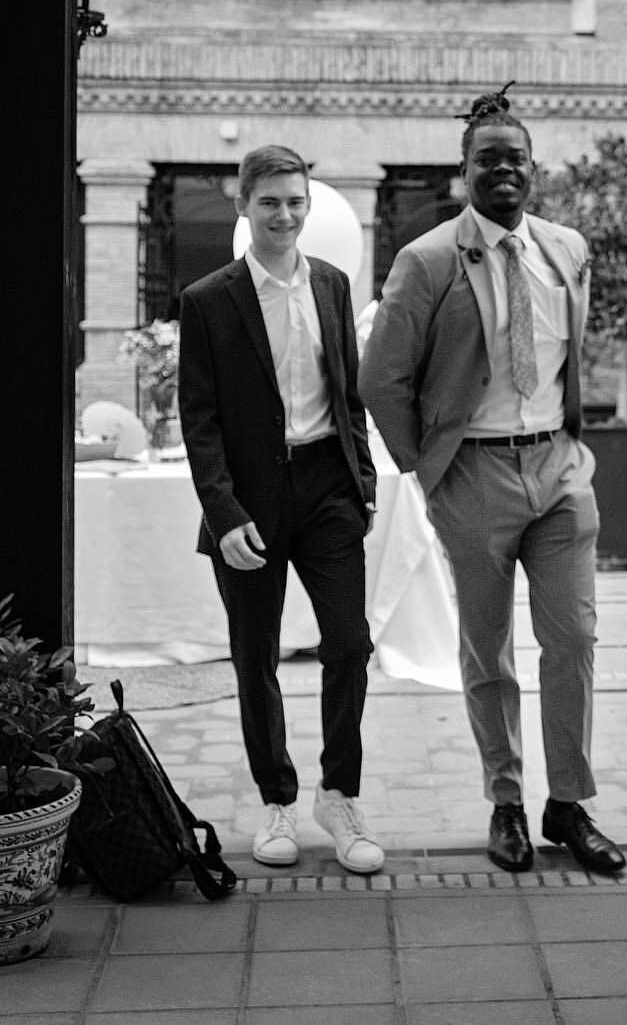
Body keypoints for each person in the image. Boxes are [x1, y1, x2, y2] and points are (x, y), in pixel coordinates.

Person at [359, 85, 626, 876]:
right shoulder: (430, 258)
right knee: (489, 650)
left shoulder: (567, 249)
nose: (502, 169)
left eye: (515, 158)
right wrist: (426, 468)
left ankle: (568, 805)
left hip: (558, 466)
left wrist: (575, 444)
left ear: (533, 169)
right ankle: (505, 800)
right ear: (464, 169)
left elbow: (573, 353)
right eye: (487, 159)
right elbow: (382, 379)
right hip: (472, 470)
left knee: (573, 640)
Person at [178, 145, 384, 875]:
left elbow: (348, 392)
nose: (285, 215)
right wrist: (225, 513)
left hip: (327, 485)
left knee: (350, 644)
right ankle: (276, 799)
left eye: (295, 201)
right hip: (249, 501)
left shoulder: (332, 285)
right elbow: (197, 419)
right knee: (255, 657)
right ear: (243, 207)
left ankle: (340, 793)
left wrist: (363, 482)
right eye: (270, 202)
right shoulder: (208, 300)